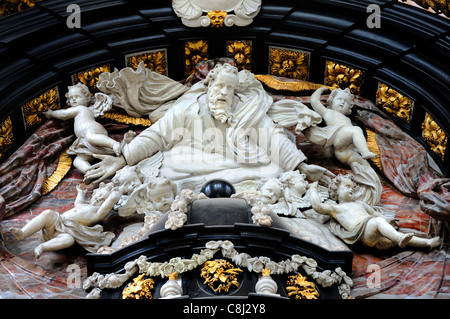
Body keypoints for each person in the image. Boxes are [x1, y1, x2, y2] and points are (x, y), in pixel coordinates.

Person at [84, 63, 335, 190]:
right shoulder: (189, 107)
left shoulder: (245, 109)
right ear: (210, 86)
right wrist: (122, 160)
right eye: (220, 87)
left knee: (274, 169)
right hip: (193, 159)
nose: (224, 92)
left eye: (230, 88)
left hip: (239, 160)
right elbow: (157, 135)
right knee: (172, 162)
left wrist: (302, 166)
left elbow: (271, 137)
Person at [309, 175, 441, 250]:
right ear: (335, 192)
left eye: (353, 188)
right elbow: (317, 206)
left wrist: (387, 220)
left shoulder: (360, 204)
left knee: (392, 235)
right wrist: (313, 189)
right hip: (362, 231)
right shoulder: (336, 208)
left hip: (372, 232)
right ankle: (399, 238)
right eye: (347, 186)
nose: (351, 190)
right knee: (380, 224)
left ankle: (426, 243)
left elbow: (376, 214)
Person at [8, 183, 126, 258]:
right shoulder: (84, 205)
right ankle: (22, 233)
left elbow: (110, 202)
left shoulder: (98, 212)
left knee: (69, 240)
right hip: (57, 222)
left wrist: (117, 193)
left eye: (102, 199)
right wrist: (81, 193)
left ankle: (42, 247)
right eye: (98, 195)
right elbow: (78, 203)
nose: (98, 198)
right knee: (48, 213)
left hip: (66, 233)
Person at [44, 83, 121, 173]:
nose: (74, 99)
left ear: (87, 99)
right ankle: (91, 172)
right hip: (83, 141)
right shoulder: (78, 109)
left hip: (92, 129)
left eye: (77, 96)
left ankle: (114, 144)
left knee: (91, 136)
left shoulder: (81, 108)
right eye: (71, 98)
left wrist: (51, 113)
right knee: (77, 161)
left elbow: (64, 114)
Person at [304, 87, 377, 168]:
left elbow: (354, 137)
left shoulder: (348, 119)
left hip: (343, 149)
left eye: (346, 102)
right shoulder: (328, 112)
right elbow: (314, 101)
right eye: (339, 99)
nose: (342, 103)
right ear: (331, 101)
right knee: (356, 130)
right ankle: (365, 152)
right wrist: (320, 90)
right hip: (337, 138)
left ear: (349, 107)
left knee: (364, 164)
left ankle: (367, 177)